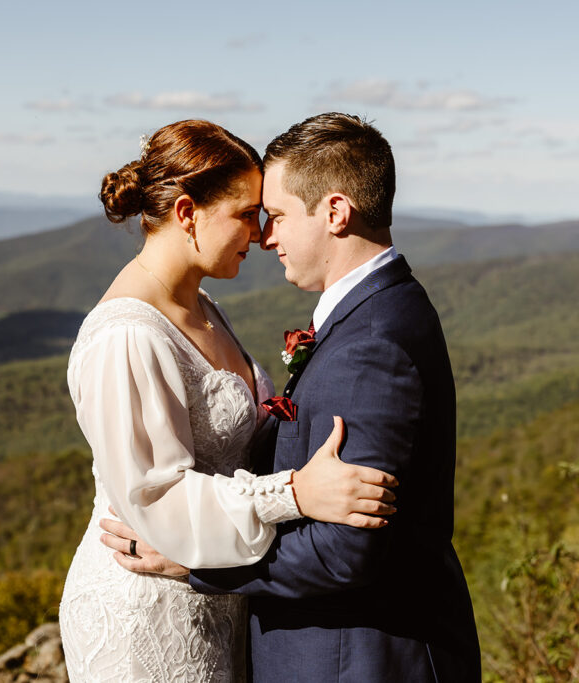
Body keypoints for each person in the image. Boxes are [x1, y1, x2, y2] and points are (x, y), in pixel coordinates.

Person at [103, 113, 482, 681]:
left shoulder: (369, 344)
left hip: (354, 657)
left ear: (335, 212)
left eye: (276, 216)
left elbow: (346, 550)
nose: (266, 236)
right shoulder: (382, 310)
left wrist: (193, 562)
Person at [58, 119, 399, 682]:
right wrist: (294, 493)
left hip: (211, 593)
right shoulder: (127, 336)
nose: (262, 234)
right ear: (188, 213)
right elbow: (158, 494)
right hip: (147, 610)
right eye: (246, 214)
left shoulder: (203, 305)